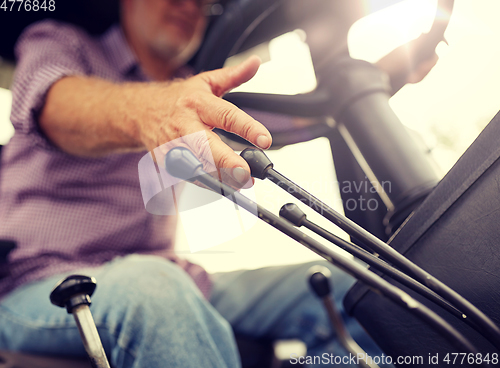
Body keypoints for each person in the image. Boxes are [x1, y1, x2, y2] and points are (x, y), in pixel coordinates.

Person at [0, 0, 394, 367]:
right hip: (41, 282)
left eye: (203, 1)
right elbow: (49, 105)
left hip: (171, 275)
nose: (190, 6)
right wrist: (152, 111)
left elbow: (282, 123)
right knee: (154, 289)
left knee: (364, 289)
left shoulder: (192, 90)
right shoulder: (60, 42)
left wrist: (380, 80)